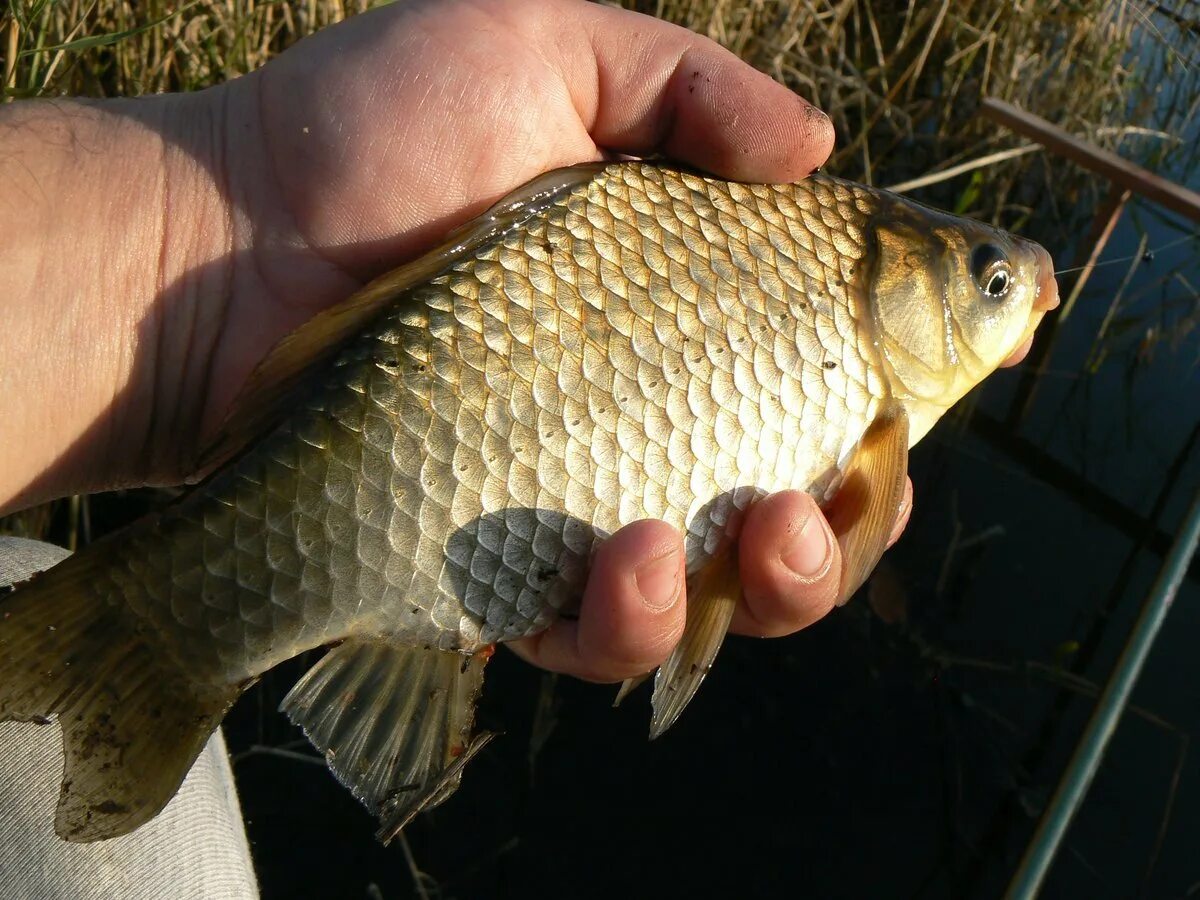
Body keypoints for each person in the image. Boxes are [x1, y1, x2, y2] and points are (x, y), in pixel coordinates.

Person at [0, 1, 910, 896]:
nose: (1025, 306)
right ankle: (158, 629)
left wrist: (216, 217)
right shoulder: (869, 393)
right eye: (991, 284)